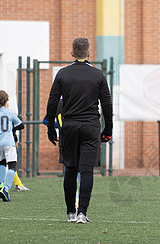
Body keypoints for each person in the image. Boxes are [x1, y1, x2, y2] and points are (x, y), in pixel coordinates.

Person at [45, 37, 112, 223]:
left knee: (71, 169)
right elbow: (107, 104)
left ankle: (70, 213)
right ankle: (82, 213)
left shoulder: (62, 74)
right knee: (87, 170)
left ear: (72, 53)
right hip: (91, 126)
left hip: (69, 127)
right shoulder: (98, 75)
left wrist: (51, 127)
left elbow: (52, 102)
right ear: (89, 53)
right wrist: (108, 129)